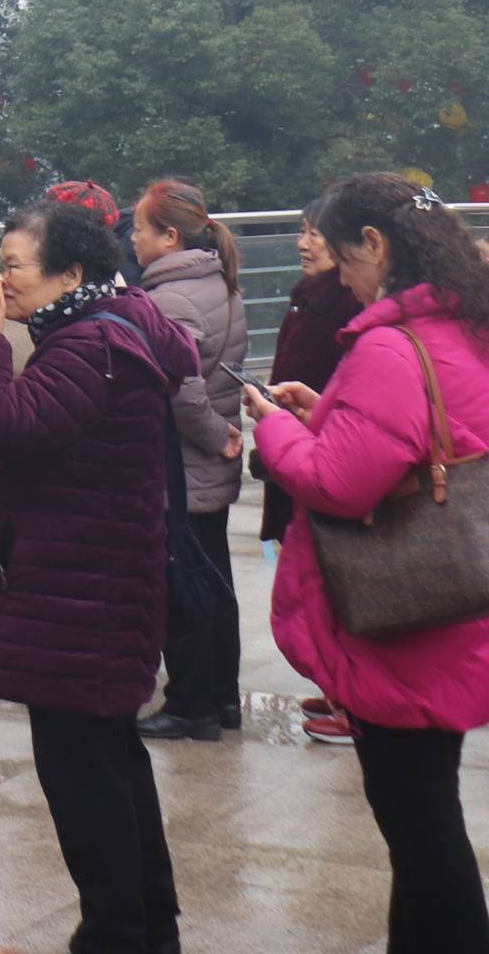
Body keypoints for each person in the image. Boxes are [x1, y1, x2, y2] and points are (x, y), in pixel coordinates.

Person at [250, 174, 489, 953]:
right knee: (426, 819)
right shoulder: (463, 328)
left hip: (406, 618)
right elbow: (429, 444)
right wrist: (327, 414)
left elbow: (340, 484)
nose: (336, 274)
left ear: (376, 247)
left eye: (342, 254)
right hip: (456, 601)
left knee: (420, 832)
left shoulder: (389, 345)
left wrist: (277, 432)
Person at [0, 195, 195, 954]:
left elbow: (2, 426)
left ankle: (116, 934)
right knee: (112, 764)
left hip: (79, 596)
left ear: (73, 271)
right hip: (99, 586)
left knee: (85, 780)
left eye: (12, 268)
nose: (1, 283)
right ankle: (148, 927)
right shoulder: (114, 325)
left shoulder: (87, 346)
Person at [125, 177, 249, 744]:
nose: (132, 238)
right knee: (216, 580)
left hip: (184, 466)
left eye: (140, 228)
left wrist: (213, 433)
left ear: (169, 236)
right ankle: (223, 697)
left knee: (184, 583)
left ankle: (191, 703)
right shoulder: (219, 283)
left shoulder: (169, 298)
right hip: (211, 468)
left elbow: (181, 387)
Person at [261, 199, 364, 745]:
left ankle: (355, 701)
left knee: (339, 581)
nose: (305, 244)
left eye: (316, 234)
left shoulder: (344, 305)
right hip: (303, 436)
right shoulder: (314, 297)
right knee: (319, 578)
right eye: (301, 232)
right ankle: (340, 687)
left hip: (321, 448)